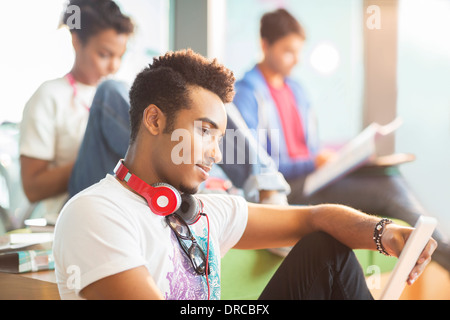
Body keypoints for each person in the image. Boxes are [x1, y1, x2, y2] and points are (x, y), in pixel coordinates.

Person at [53, 49, 436, 300]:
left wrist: (384, 233)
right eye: (204, 131)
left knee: (326, 249)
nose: (215, 153)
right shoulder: (95, 213)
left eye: (219, 137)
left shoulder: (201, 211)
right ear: (154, 119)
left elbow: (314, 217)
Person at [232, 8, 450, 270]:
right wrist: (313, 162)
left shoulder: (296, 90)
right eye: (287, 51)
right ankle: (443, 252)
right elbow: (258, 164)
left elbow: (310, 147)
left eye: (298, 52)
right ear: (264, 45)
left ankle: (439, 248)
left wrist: (341, 158)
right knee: (387, 189)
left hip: (314, 178)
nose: (295, 60)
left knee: (387, 175)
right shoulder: (247, 94)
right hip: (289, 185)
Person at [19, 0, 134, 223]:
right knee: (110, 89)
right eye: (104, 55)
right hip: (75, 207)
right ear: (76, 41)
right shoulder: (50, 95)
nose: (114, 66)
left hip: (123, 203)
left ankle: (211, 173)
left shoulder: (121, 99)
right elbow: (32, 187)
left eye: (120, 56)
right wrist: (97, 156)